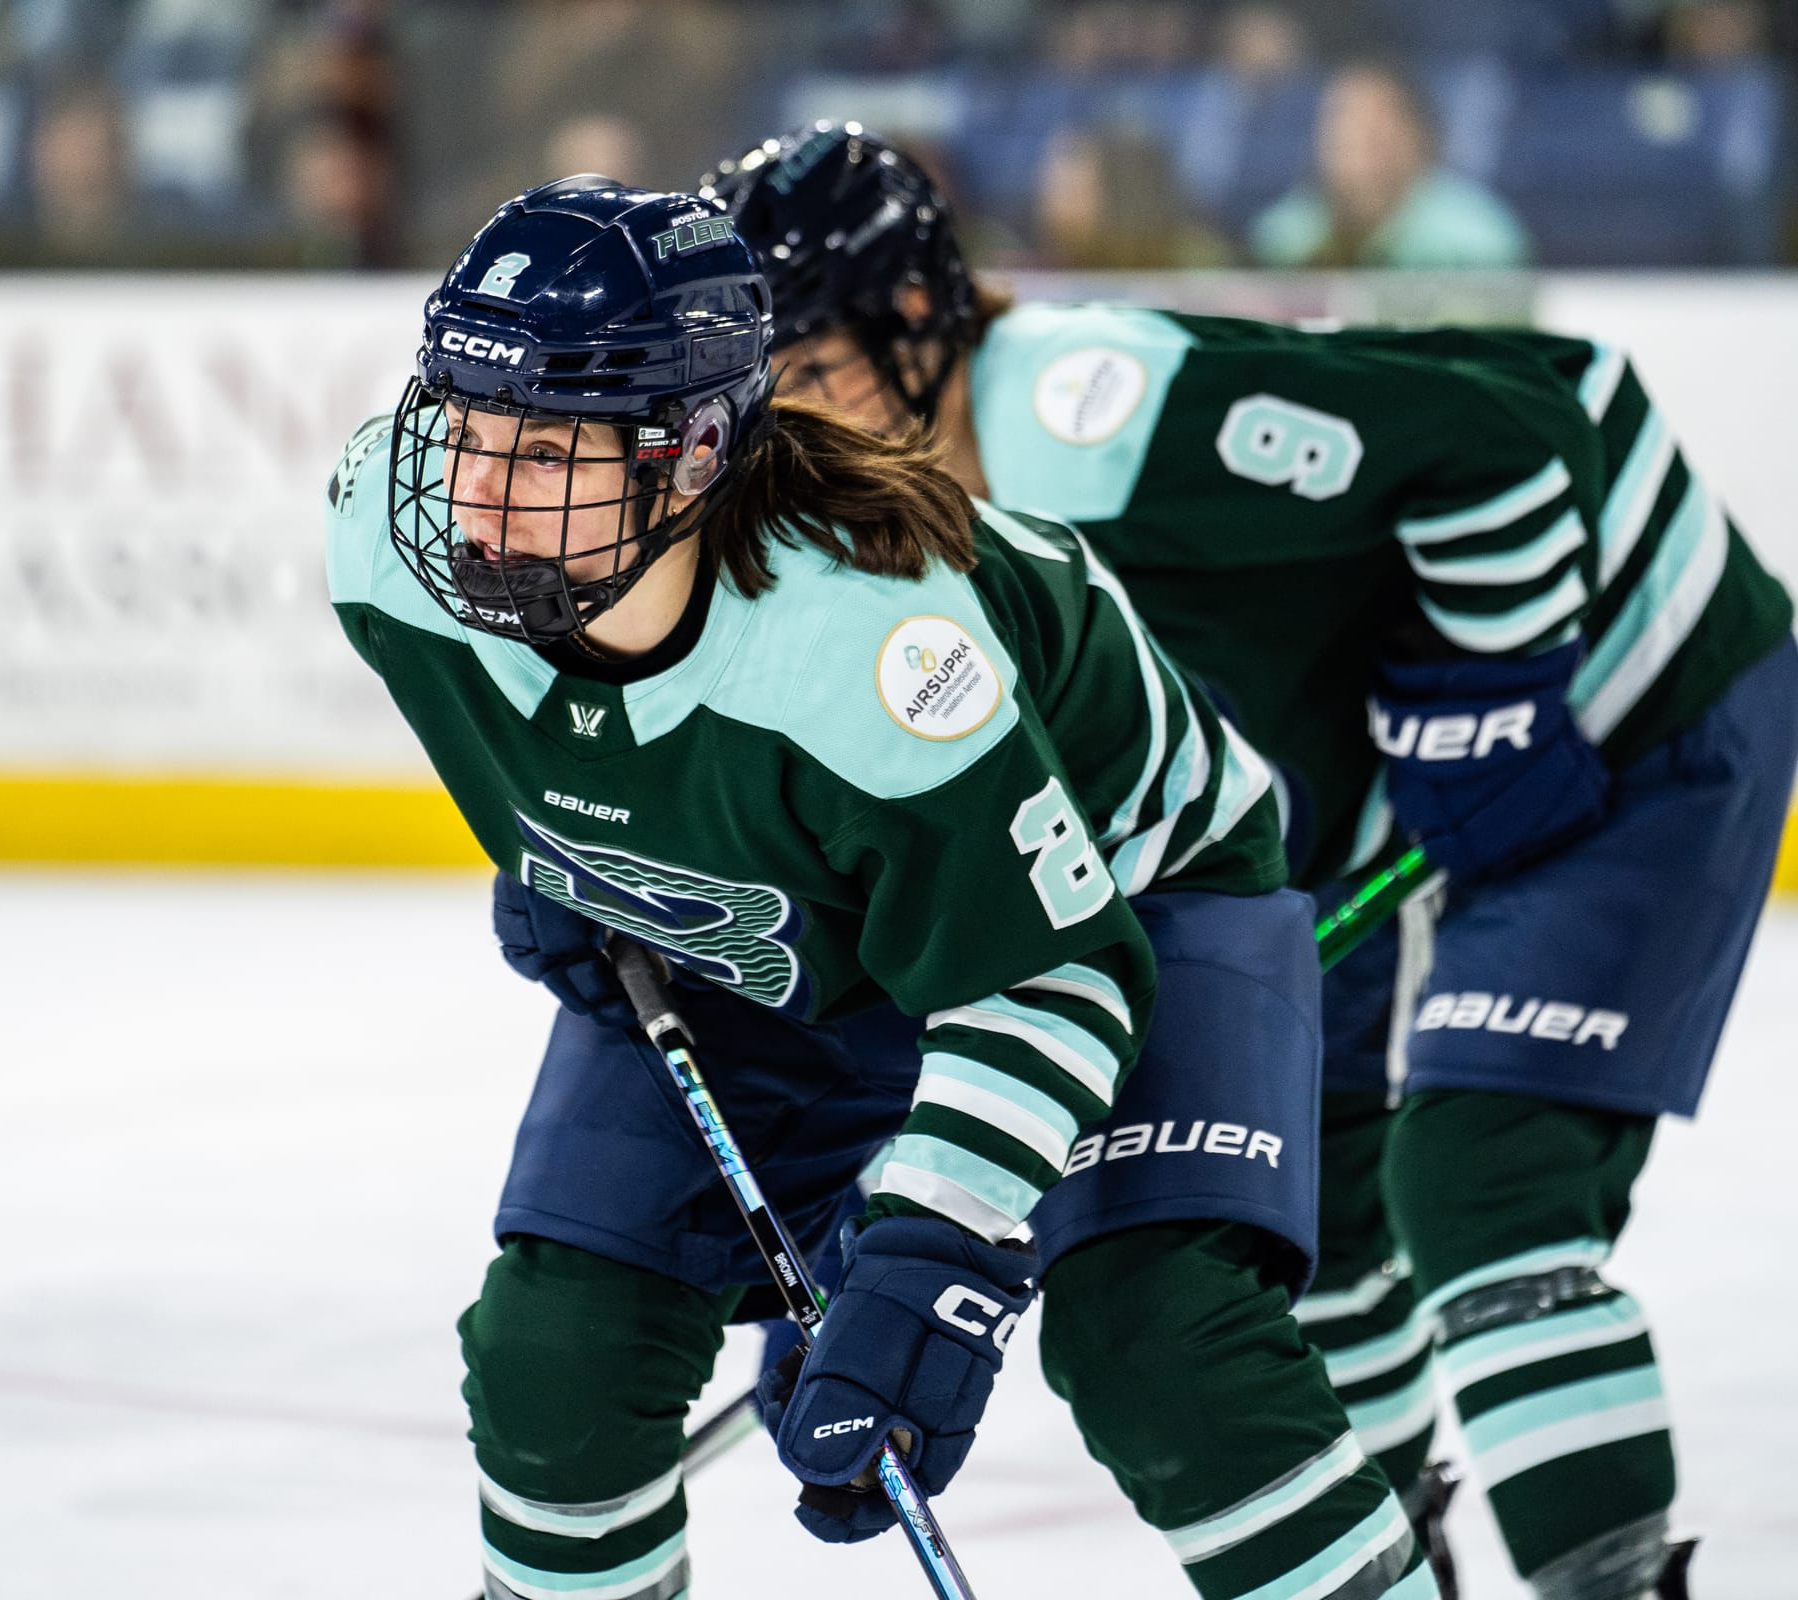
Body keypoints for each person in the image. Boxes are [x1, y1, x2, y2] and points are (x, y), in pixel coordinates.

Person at [709, 122, 1797, 1600]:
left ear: (918, 326)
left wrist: (1491, 694)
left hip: (1636, 687)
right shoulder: (891, 547)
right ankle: (1410, 1554)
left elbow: (1520, 440)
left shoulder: (1082, 419)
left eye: (809, 370)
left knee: (1484, 1184)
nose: (790, 425)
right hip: (1354, 817)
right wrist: (897, 1203)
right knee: (1320, 1208)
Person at [325, 176, 1440, 1600]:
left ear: (690, 454)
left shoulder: (867, 650)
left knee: (1161, 1349)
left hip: (1118, 903)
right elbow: (551, 728)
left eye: (545, 452)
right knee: (561, 1356)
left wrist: (927, 1246)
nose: (473, 496)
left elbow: (1046, 978)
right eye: (465, 427)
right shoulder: (385, 538)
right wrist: (582, 855)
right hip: (798, 924)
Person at [1249, 61, 1531, 269]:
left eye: (1373, 129)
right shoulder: (1285, 235)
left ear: (1418, 139)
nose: (1352, 141)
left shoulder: (1476, 238)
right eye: (1340, 124)